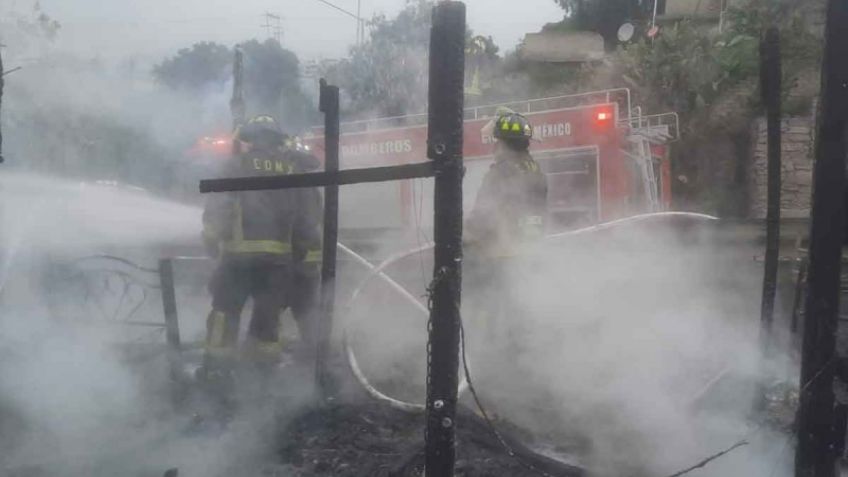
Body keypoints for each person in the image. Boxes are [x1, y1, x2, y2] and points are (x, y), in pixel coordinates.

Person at [200, 115, 304, 377]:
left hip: (237, 258)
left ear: (252, 138)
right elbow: (305, 215)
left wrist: (211, 238)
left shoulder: (236, 164)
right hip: (278, 262)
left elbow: (220, 205)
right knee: (267, 318)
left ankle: (217, 370)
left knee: (225, 312)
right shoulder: (291, 169)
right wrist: (300, 256)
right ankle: (262, 374)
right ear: (276, 140)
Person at [465, 111, 547, 348]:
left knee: (486, 306)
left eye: (497, 141)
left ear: (503, 143)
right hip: (528, 251)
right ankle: (519, 351)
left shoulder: (501, 172)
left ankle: (487, 355)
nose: (494, 147)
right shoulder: (534, 169)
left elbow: (483, 215)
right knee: (517, 308)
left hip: (500, 254)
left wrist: (462, 239)